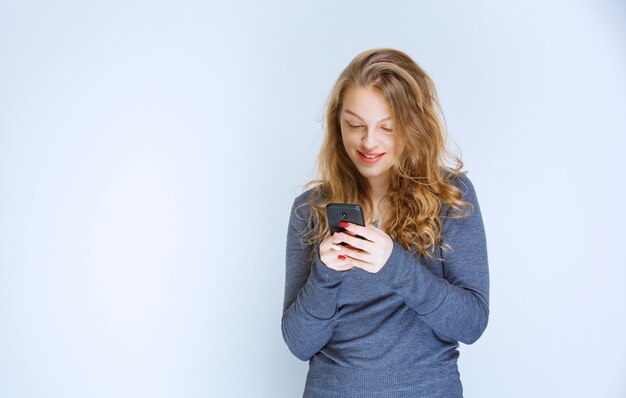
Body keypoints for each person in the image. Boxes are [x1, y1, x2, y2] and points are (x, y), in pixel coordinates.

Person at [281, 48, 489, 397]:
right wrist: (326, 273)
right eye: (355, 124)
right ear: (337, 123)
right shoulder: (310, 209)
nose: (368, 142)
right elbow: (299, 344)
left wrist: (395, 264)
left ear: (414, 126)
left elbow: (471, 324)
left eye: (387, 127)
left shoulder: (451, 197)